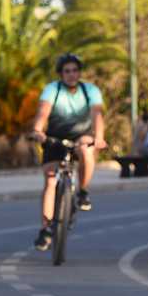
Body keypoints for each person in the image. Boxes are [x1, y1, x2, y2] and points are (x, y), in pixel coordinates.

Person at [30, 53, 106, 251]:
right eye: (67, 71)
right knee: (50, 181)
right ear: (61, 74)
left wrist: (99, 137)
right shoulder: (52, 90)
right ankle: (46, 229)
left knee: (86, 151)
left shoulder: (90, 91)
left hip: (81, 135)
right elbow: (43, 112)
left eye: (75, 70)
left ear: (79, 72)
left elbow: (97, 115)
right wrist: (38, 130)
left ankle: (83, 191)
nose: (71, 74)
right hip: (54, 137)